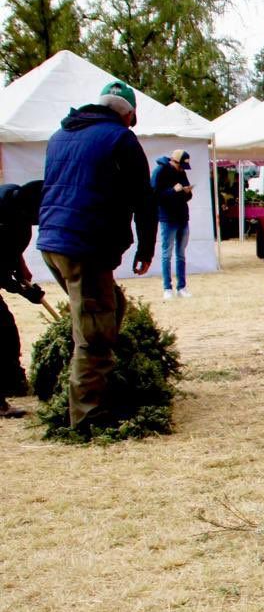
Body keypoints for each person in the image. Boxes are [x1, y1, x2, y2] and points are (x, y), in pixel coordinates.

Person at [36, 79, 156, 435]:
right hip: (83, 246)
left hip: (52, 243)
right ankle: (89, 419)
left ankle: (94, 390)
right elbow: (143, 201)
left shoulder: (60, 136)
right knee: (95, 332)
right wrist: (146, 249)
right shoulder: (120, 138)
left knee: (110, 307)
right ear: (129, 115)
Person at [0, 180, 45, 418]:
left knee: (6, 330)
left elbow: (11, 251)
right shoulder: (2, 215)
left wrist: (21, 268)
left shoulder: (17, 208)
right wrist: (22, 290)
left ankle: (12, 382)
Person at [152, 149, 194, 299]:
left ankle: (181, 287)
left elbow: (187, 196)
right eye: (181, 166)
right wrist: (172, 191)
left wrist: (187, 192)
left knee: (181, 254)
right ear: (174, 161)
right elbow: (154, 196)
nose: (183, 169)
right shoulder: (160, 171)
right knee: (166, 254)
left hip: (182, 217)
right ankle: (167, 287)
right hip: (167, 218)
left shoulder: (182, 173)